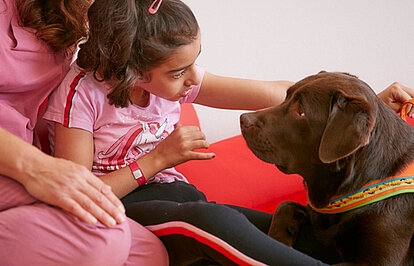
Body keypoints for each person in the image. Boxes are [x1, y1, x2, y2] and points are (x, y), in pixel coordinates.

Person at [43, 0, 414, 265]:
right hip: (120, 209)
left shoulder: (179, 77)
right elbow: (76, 197)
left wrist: (369, 109)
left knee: (289, 228)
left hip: (180, 196)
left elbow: (277, 92)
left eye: (195, 62)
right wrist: (157, 160)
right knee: (209, 221)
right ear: (133, 71)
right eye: (178, 73)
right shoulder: (81, 95)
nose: (192, 79)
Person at [0, 0, 168, 265]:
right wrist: (37, 167)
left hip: (17, 166)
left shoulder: (66, 21)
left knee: (147, 253)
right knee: (102, 237)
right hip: (14, 162)